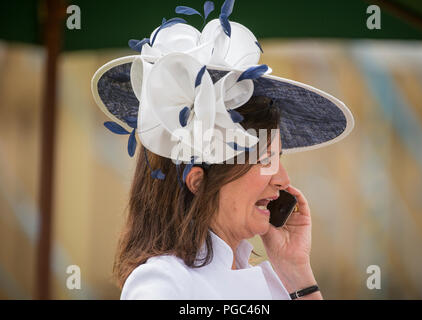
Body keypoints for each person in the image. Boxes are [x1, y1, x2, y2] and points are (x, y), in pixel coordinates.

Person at [91, 0, 354, 300]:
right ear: (199, 181)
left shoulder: (277, 282)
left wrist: (297, 272)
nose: (282, 179)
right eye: (265, 159)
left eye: (278, 159)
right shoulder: (164, 284)